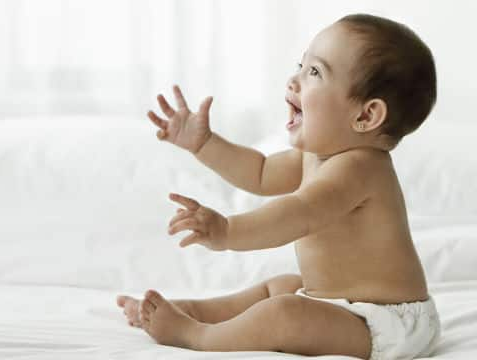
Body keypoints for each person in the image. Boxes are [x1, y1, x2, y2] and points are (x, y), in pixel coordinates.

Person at [117, 13, 441, 360]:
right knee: (281, 286)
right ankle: (195, 310)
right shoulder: (316, 157)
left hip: (388, 325)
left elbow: (298, 213)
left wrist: (227, 230)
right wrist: (204, 144)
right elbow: (259, 172)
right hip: (340, 307)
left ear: (365, 116)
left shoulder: (361, 168)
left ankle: (194, 334)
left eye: (315, 72)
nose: (294, 80)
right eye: (300, 65)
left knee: (285, 313)